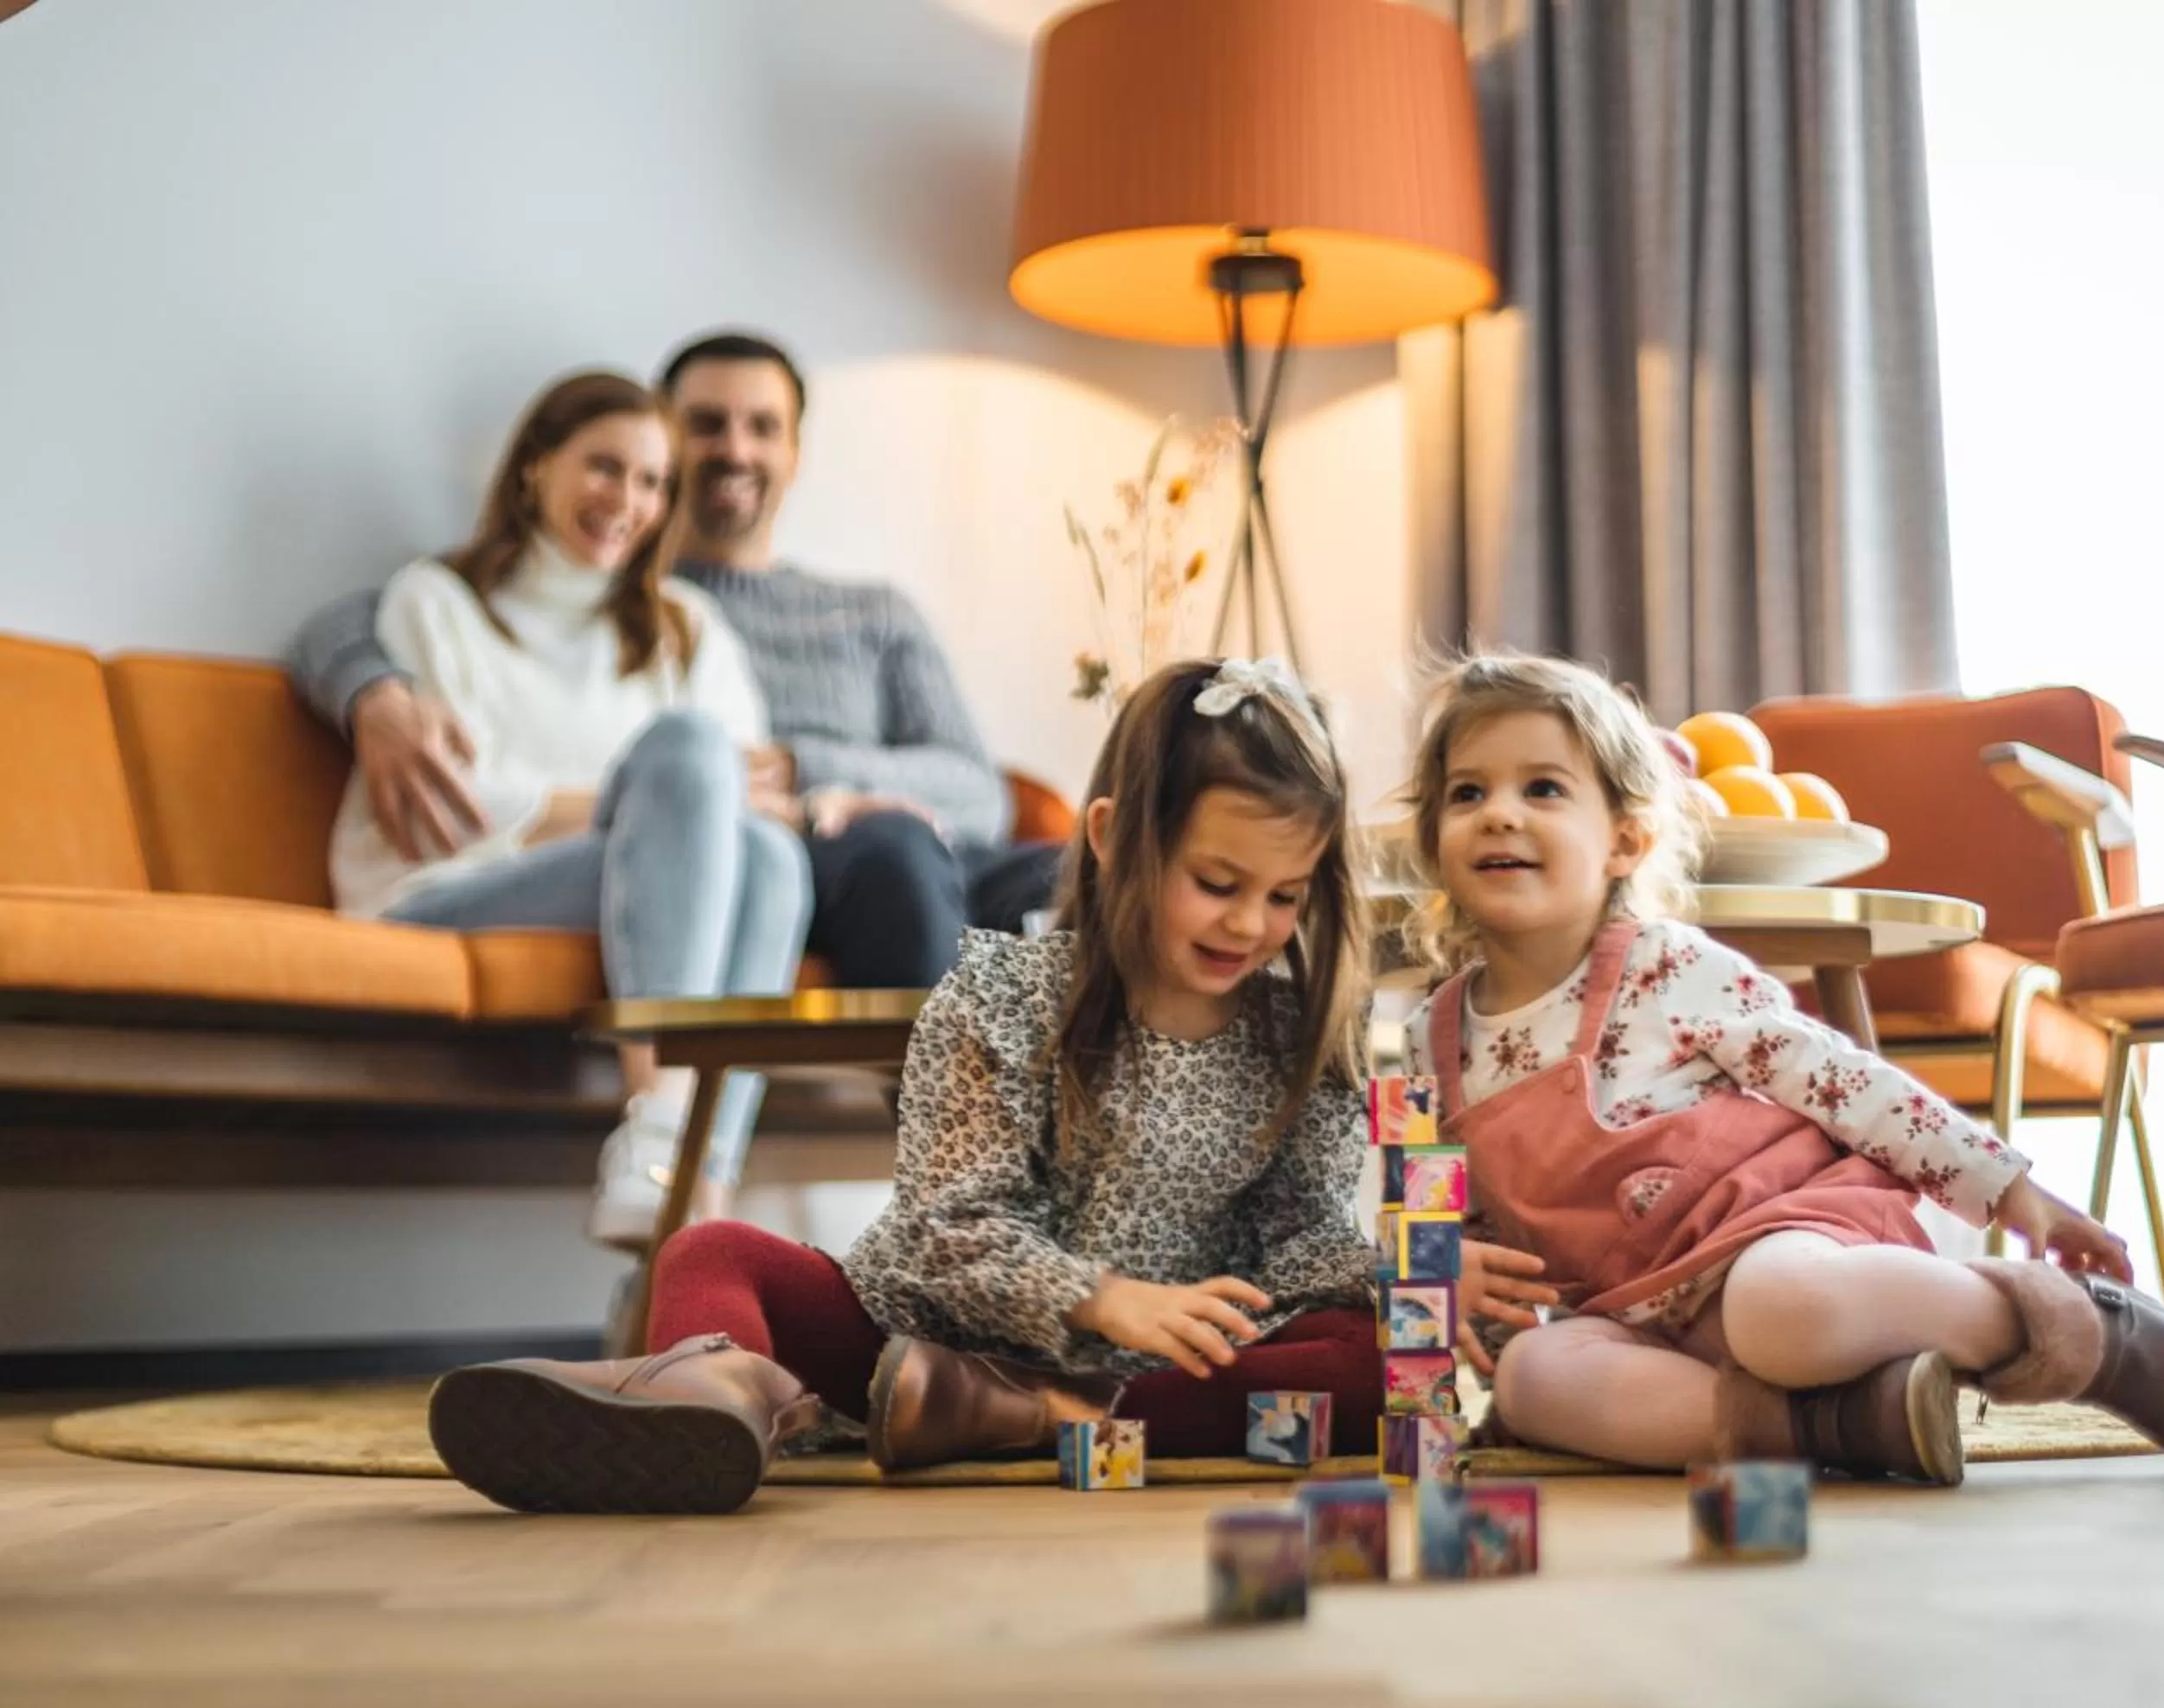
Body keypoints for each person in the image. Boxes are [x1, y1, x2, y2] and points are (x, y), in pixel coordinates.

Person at [423, 658, 1383, 1515]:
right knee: (713, 1249)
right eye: (1218, 882)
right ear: (1113, 836)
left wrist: (1388, 1280)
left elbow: (1298, 1240)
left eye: (1285, 893)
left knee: (1367, 1356)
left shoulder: (1292, 1031)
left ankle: (1034, 1414)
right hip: (914, 1352)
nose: (1252, 923)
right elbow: (948, 1231)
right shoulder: (1001, 998)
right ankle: (717, 1396)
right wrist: (1099, 1297)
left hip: (1157, 1369)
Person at [1403, 653, 2164, 1484]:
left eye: (1542, 787)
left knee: (1779, 1316)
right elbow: (1443, 1224)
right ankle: (1851, 1422)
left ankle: (2077, 1327)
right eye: (1467, 792)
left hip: (1786, 1241)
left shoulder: (1667, 964)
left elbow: (1848, 1084)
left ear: (1625, 840)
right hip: (1629, 1313)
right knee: (1536, 1377)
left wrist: (2008, 1189)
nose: (1500, 813)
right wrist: (1452, 1325)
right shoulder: (1422, 1039)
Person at [291, 330, 1058, 991]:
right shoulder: (627, 603)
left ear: (795, 452)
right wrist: (372, 692)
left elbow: (979, 793)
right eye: (706, 426)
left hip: (877, 832)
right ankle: (943, 1150)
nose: (735, 449)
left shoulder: (863, 613)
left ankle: (1108, 1157)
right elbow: (360, 620)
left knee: (1089, 877)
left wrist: (810, 774)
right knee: (866, 857)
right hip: (824, 859)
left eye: (763, 426)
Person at [327, 370, 809, 1249]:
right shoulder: (435, 601)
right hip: (442, 890)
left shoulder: (687, 625)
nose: (628, 499)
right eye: (604, 467)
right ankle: (664, 1127)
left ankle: (690, 1197)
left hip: (612, 882)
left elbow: (753, 803)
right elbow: (460, 806)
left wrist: (673, 814)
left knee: (773, 856)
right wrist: (653, 810)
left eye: (654, 482)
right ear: (534, 468)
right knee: (687, 754)